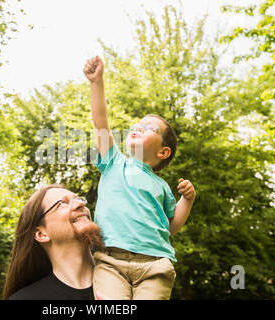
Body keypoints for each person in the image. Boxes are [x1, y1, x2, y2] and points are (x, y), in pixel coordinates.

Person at [83, 56, 196, 300]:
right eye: (138, 124)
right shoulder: (114, 162)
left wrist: (187, 199)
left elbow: (172, 226)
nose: (138, 127)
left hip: (154, 266)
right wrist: (97, 83)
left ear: (162, 152)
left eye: (149, 128)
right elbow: (101, 122)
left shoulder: (162, 187)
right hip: (110, 262)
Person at [3, 184, 105, 300]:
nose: (81, 204)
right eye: (62, 203)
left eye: (78, 199)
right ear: (41, 234)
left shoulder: (124, 277)